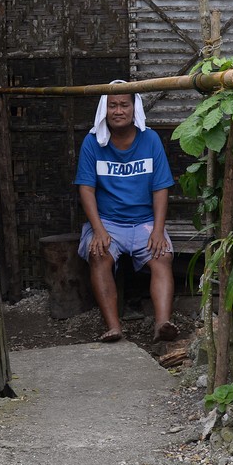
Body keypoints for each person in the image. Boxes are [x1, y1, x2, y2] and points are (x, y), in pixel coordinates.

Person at [74, 83, 178, 343]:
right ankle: (114, 327)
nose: (118, 110)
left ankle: (163, 323)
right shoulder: (92, 142)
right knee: (98, 254)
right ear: (104, 109)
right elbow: (86, 189)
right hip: (108, 223)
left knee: (162, 255)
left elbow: (161, 188)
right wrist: (98, 230)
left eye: (124, 105)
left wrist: (157, 230)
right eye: (112, 105)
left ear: (135, 108)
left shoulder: (150, 140)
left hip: (145, 223)